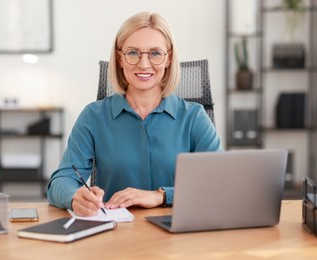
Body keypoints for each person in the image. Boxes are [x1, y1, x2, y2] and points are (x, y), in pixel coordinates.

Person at [47, 12, 222, 216]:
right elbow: (60, 182)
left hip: (180, 232)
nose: (144, 64)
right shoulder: (93, 116)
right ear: (120, 58)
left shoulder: (194, 117)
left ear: (169, 58)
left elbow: (219, 182)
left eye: (155, 53)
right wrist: (74, 196)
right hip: (117, 235)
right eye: (133, 53)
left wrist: (160, 196)